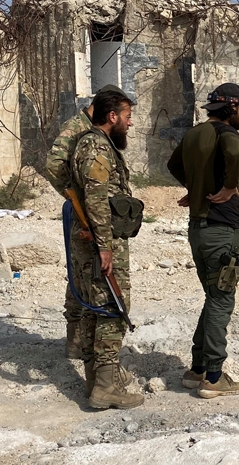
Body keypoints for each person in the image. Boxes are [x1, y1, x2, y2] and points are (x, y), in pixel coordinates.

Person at [167, 82, 239, 399]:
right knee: (222, 300)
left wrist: (195, 187)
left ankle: (197, 370)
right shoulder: (227, 133)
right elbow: (234, 152)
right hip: (223, 231)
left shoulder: (194, 134)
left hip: (198, 230)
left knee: (213, 297)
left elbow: (173, 165)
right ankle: (214, 378)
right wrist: (229, 186)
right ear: (231, 108)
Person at [69, 86, 145, 409]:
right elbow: (97, 198)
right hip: (103, 240)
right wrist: (104, 246)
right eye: (127, 115)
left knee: (94, 307)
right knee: (113, 307)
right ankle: (105, 386)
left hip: (97, 238)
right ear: (112, 116)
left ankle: (96, 380)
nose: (130, 122)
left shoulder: (94, 144)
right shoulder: (97, 147)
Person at [44, 99, 94, 360]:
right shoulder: (77, 127)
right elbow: (54, 165)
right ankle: (78, 339)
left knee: (83, 271)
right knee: (82, 272)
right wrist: (74, 195)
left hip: (88, 210)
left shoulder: (90, 128)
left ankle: (79, 340)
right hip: (81, 211)